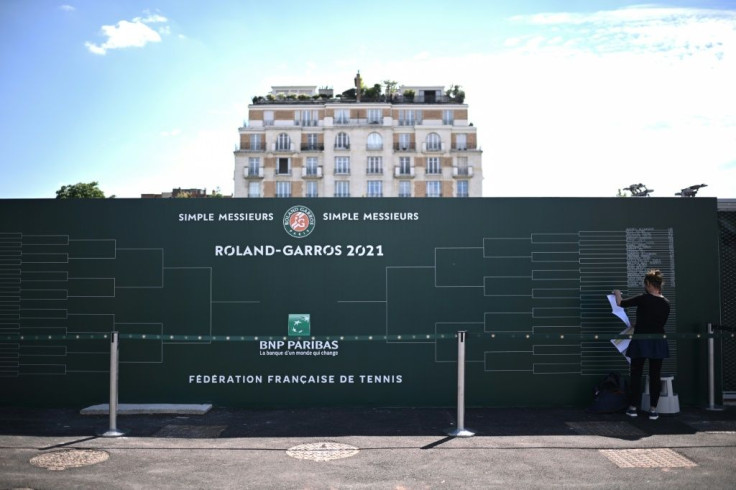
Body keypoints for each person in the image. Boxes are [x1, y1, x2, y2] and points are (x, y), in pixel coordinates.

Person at [613, 269, 671, 420]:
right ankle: (653, 409)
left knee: (636, 374)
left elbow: (621, 304)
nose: (645, 287)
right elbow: (655, 323)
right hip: (658, 342)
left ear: (650, 284)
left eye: (646, 285)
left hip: (641, 341)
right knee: (655, 375)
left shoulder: (643, 299)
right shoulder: (666, 303)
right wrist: (636, 324)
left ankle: (633, 408)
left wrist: (617, 292)